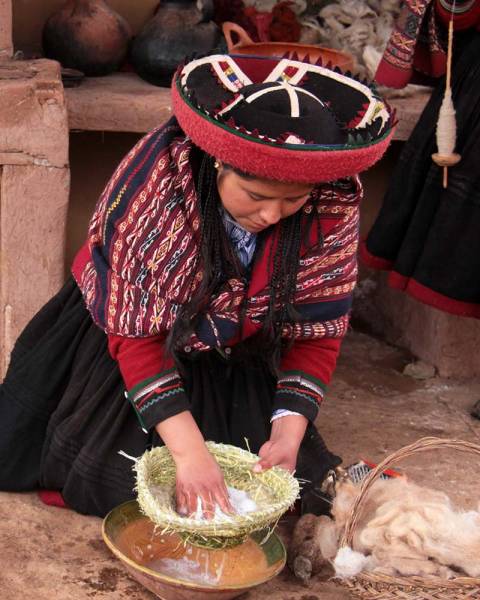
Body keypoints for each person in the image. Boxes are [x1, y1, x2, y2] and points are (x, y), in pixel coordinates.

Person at [0, 53, 394, 518]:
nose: (271, 215)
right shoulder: (161, 189)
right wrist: (189, 454)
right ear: (217, 166)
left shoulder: (331, 200)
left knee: (270, 479)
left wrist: (288, 431)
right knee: (127, 485)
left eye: (292, 200)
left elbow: (317, 328)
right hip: (123, 335)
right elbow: (137, 336)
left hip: (231, 345)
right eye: (256, 196)